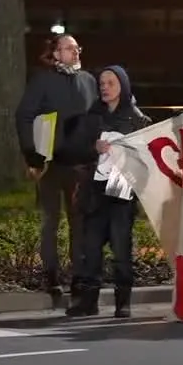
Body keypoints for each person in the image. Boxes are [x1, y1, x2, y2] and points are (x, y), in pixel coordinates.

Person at [12, 33, 98, 295]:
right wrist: (32, 155)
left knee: (80, 223)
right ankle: (51, 275)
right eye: (69, 48)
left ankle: (79, 276)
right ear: (56, 54)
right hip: (51, 164)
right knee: (50, 220)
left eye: (77, 47)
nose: (76, 52)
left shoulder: (88, 80)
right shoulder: (43, 81)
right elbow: (24, 115)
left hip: (82, 165)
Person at [66, 65, 152, 319]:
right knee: (90, 250)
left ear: (122, 87)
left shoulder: (138, 121)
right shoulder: (93, 117)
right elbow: (75, 150)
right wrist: (93, 148)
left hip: (120, 189)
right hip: (94, 191)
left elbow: (147, 162)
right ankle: (88, 301)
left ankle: (122, 301)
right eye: (101, 83)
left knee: (121, 250)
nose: (104, 87)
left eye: (110, 83)